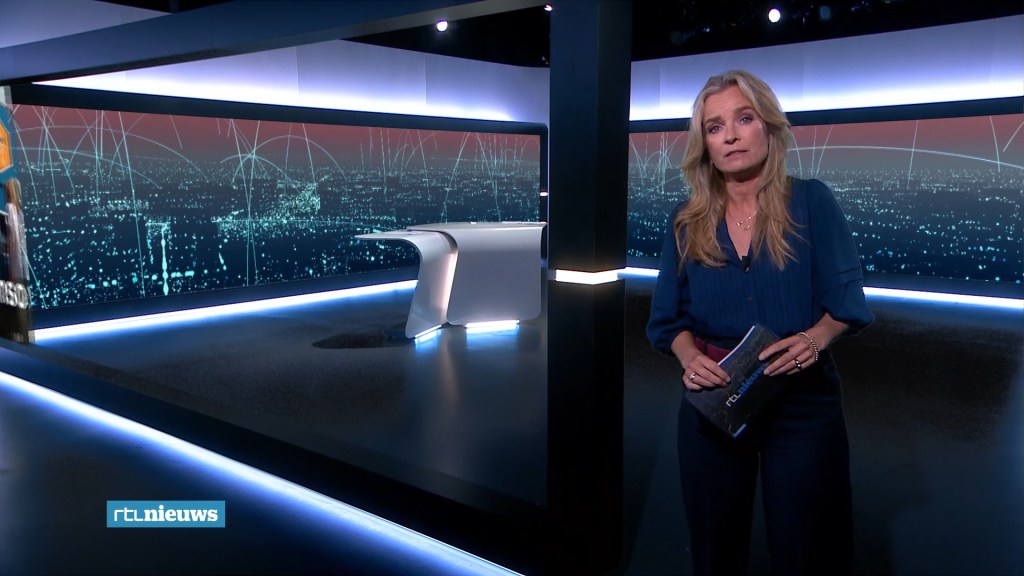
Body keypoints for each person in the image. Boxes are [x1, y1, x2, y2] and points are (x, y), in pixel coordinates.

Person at [646, 70, 873, 575]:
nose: (730, 135)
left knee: (807, 550)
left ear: (768, 127)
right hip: (715, 401)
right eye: (714, 127)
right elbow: (668, 319)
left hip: (802, 402)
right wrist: (688, 357)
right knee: (715, 551)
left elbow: (846, 302)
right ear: (704, 145)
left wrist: (815, 337)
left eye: (744, 119)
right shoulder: (686, 221)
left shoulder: (811, 201)